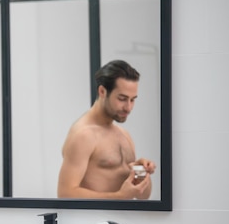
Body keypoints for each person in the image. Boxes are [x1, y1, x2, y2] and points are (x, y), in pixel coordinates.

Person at [57, 60, 156, 199]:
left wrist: (141, 171)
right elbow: (65, 193)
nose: (128, 107)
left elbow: (143, 196)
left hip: (124, 219)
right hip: (93, 220)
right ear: (102, 91)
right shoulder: (84, 135)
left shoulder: (124, 135)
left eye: (133, 100)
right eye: (122, 98)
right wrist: (119, 196)